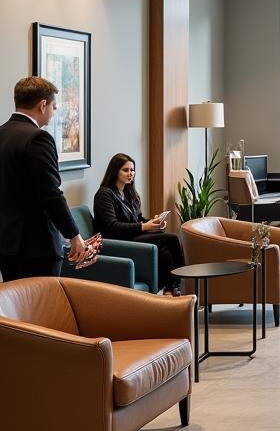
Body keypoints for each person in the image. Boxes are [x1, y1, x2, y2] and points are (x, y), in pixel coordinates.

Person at [0, 76, 86, 281]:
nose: (54, 112)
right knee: (41, 309)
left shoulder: (2, 133)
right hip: (36, 247)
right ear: (43, 105)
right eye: (54, 107)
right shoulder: (38, 138)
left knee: (15, 308)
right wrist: (74, 235)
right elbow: (51, 194)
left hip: (5, 243)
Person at [93, 153, 185, 294]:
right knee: (172, 238)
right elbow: (112, 226)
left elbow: (139, 218)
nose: (130, 174)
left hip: (133, 235)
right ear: (115, 171)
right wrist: (144, 227)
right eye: (126, 170)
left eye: (132, 170)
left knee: (164, 251)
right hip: (119, 240)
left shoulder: (129, 192)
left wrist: (153, 223)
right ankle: (184, 278)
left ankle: (170, 288)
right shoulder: (104, 195)